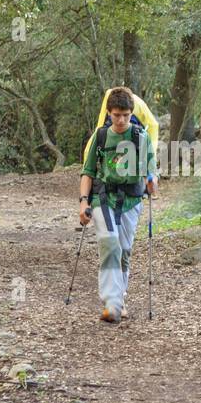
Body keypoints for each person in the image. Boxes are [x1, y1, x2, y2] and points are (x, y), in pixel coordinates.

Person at [78, 86, 158, 323]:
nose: (121, 120)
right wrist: (83, 202)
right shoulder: (101, 137)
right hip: (104, 198)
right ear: (109, 114)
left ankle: (119, 299)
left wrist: (152, 183)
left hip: (131, 200)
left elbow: (150, 173)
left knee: (123, 251)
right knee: (110, 244)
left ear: (131, 113)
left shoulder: (140, 138)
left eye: (125, 115)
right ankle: (112, 304)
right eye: (116, 115)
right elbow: (88, 171)